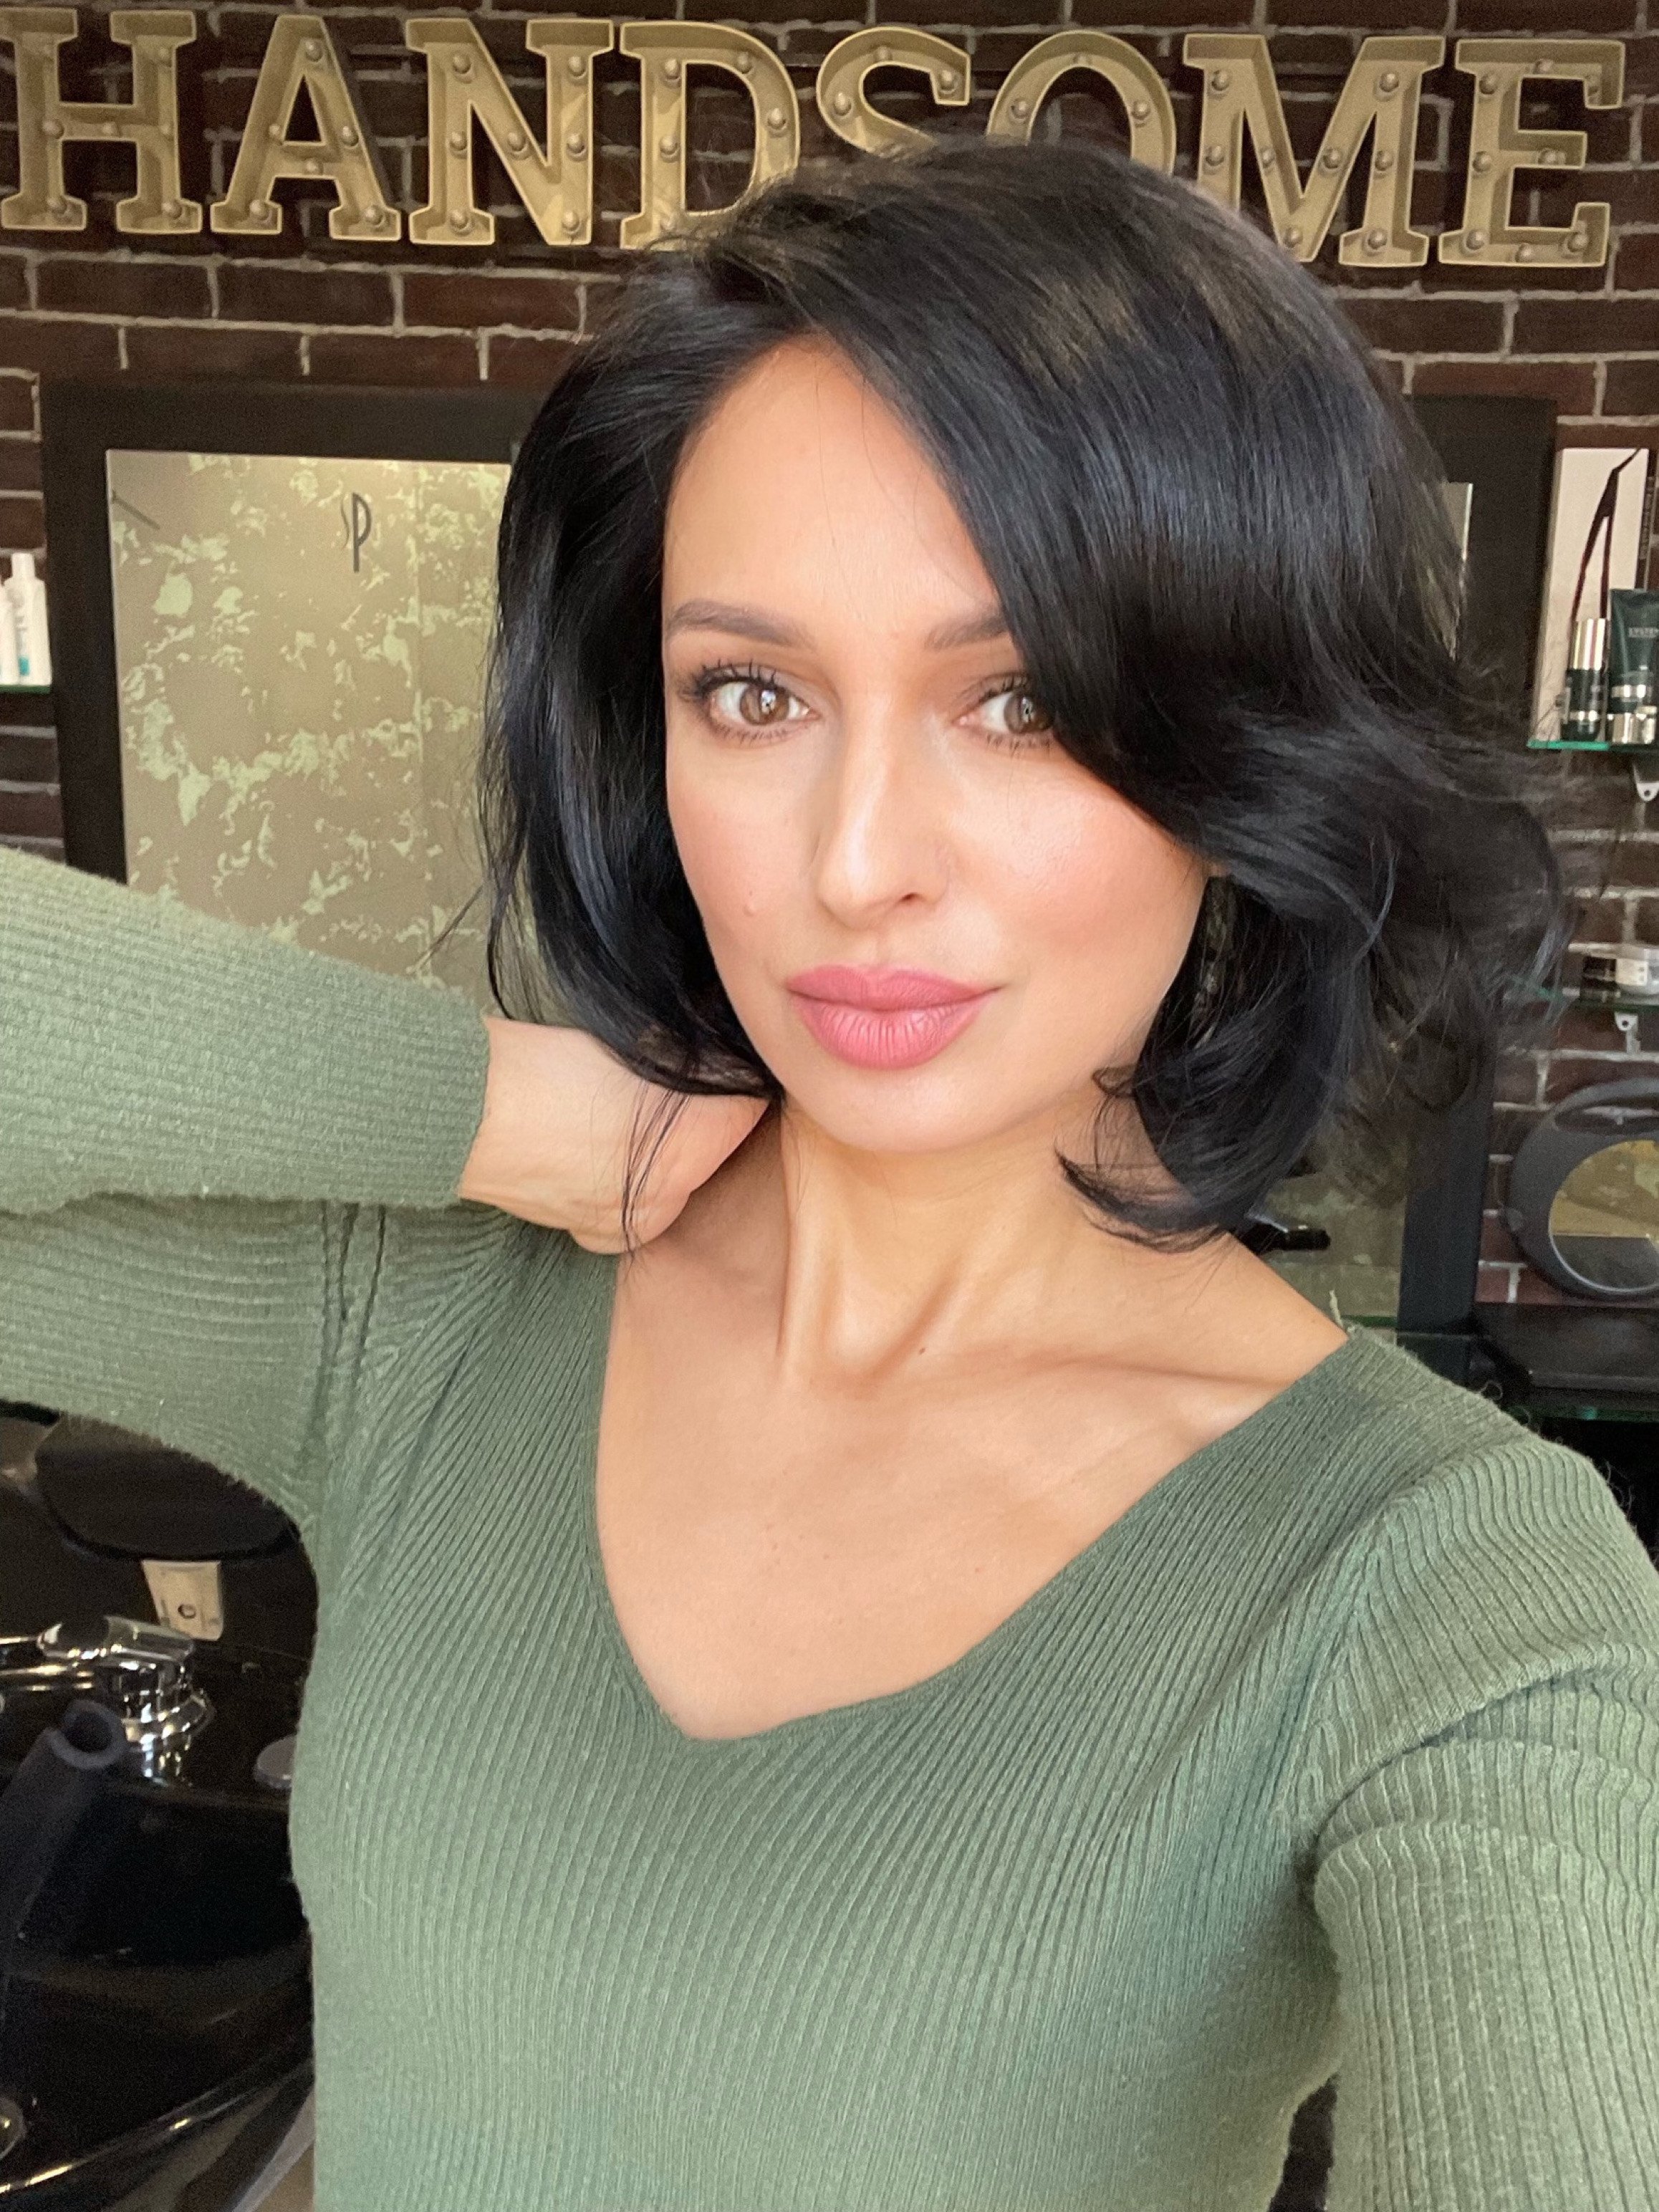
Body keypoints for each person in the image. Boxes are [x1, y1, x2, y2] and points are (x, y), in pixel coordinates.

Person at [3, 138, 1656, 2212]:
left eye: (1021, 700)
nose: (858, 858)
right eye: (753, 692)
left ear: (1239, 756)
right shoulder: (423, 1321)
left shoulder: (1441, 1589)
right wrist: (496, 1108)